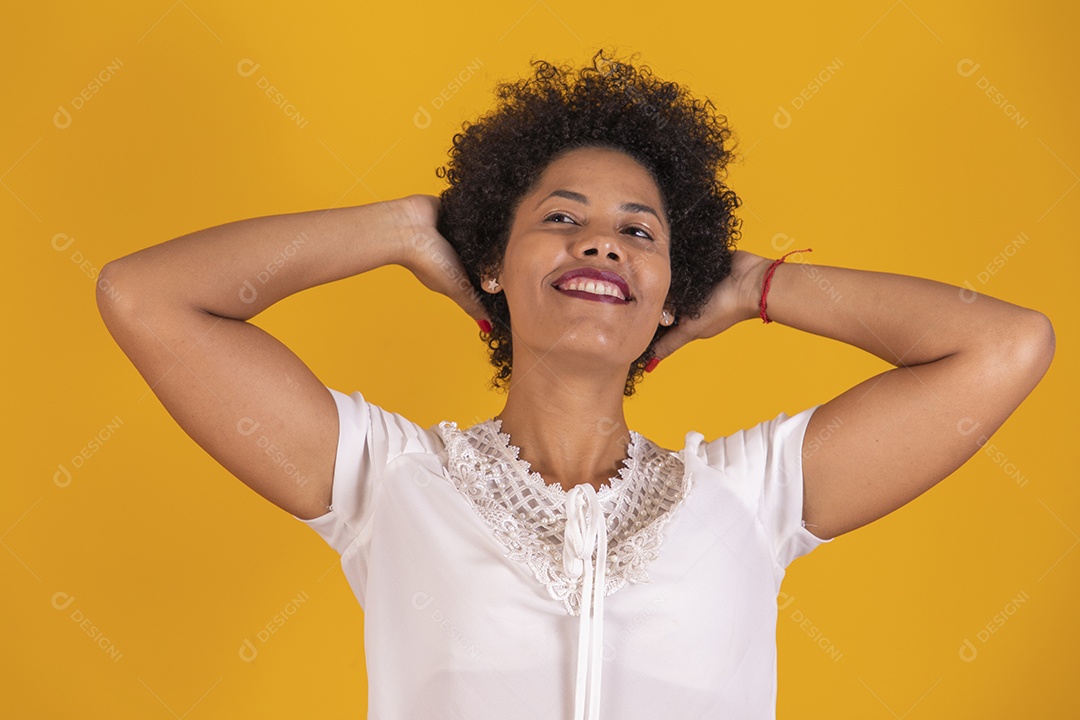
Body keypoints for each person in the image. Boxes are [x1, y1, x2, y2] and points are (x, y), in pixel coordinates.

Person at [95, 51, 1054, 720]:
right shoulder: (387, 485)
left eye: (641, 231)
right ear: (491, 264)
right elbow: (145, 298)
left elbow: (1007, 346)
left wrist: (762, 287)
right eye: (561, 217)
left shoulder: (754, 497)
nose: (601, 240)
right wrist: (398, 229)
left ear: (673, 289)